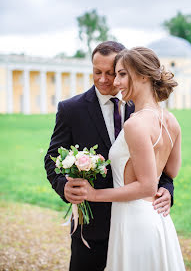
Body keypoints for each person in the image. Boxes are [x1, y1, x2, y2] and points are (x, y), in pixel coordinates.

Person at [44, 42, 174, 271]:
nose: (104, 79)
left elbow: (158, 157)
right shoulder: (71, 109)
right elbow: (52, 156)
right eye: (97, 72)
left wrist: (166, 189)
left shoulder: (143, 107)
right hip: (92, 225)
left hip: (135, 220)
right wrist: (63, 185)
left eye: (112, 73)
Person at [76, 47, 185, 270]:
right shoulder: (171, 120)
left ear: (143, 75)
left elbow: (146, 186)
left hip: (134, 221)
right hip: (158, 219)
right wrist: (165, 188)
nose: (116, 82)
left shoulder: (135, 123)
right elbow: (170, 172)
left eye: (122, 74)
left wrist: (93, 194)